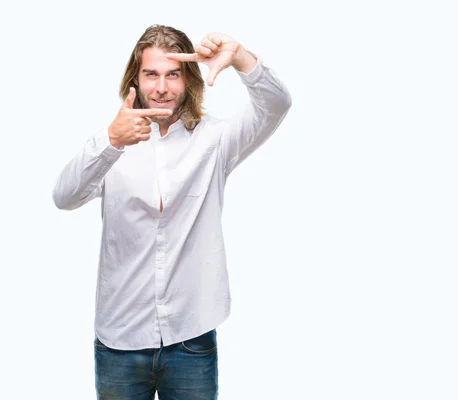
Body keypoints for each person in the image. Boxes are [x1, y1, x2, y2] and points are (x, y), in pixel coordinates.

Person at [52, 24, 291, 399]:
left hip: (190, 339)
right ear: (135, 80)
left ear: (188, 80)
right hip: (120, 340)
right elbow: (64, 197)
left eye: (172, 75)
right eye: (151, 74)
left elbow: (277, 105)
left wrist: (241, 56)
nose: (161, 87)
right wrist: (111, 142)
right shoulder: (113, 143)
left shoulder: (215, 139)